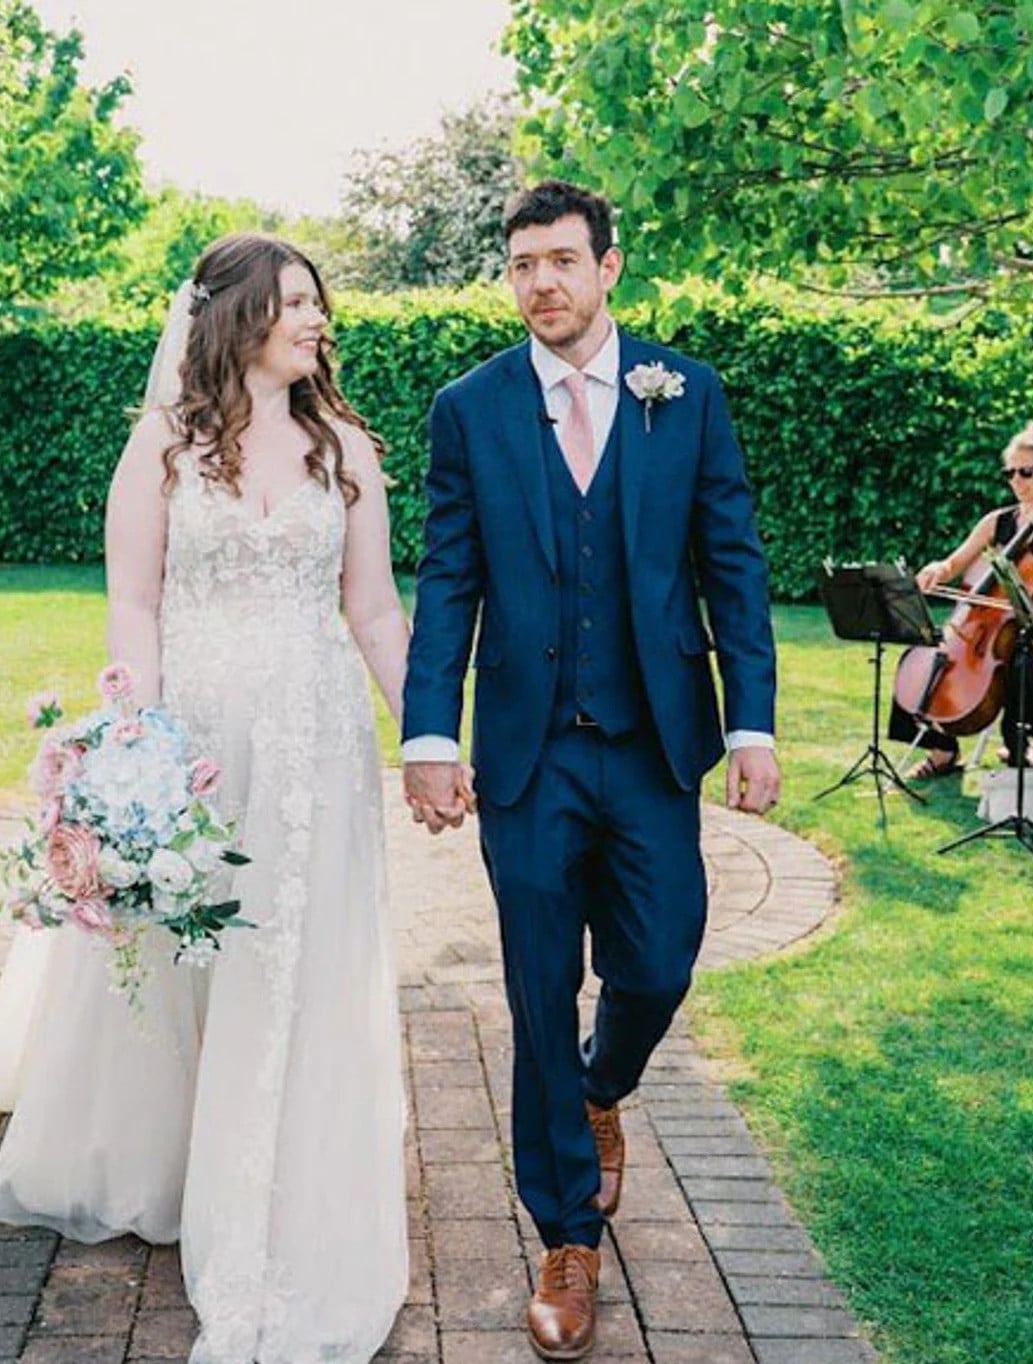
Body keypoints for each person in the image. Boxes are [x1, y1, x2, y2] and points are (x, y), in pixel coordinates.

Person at [0, 233, 410, 1364]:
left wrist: (426, 731)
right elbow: (132, 605)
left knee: (292, 955)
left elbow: (372, 610)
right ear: (231, 319)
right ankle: (165, 1151)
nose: (314, 321)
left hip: (317, 742)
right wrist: (139, 745)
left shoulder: (348, 450)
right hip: (197, 738)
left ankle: (283, 1157)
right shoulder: (164, 449)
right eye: (291, 305)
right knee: (184, 955)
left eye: (318, 305)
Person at [399, 181, 780, 1361]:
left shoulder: (687, 393)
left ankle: (602, 1084)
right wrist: (427, 734)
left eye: (561, 259)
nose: (541, 283)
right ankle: (566, 1236)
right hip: (524, 753)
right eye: (521, 265)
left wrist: (754, 720)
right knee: (531, 992)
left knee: (660, 957)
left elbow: (733, 563)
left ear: (608, 266)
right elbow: (448, 577)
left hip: (653, 740)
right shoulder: (469, 408)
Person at [891, 421, 1033, 777]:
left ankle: (1018, 743)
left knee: (1021, 666)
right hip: (989, 629)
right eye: (1009, 473)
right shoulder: (997, 521)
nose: (1016, 481)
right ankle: (941, 750)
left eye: (1025, 472)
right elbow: (956, 561)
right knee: (921, 655)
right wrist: (938, 569)